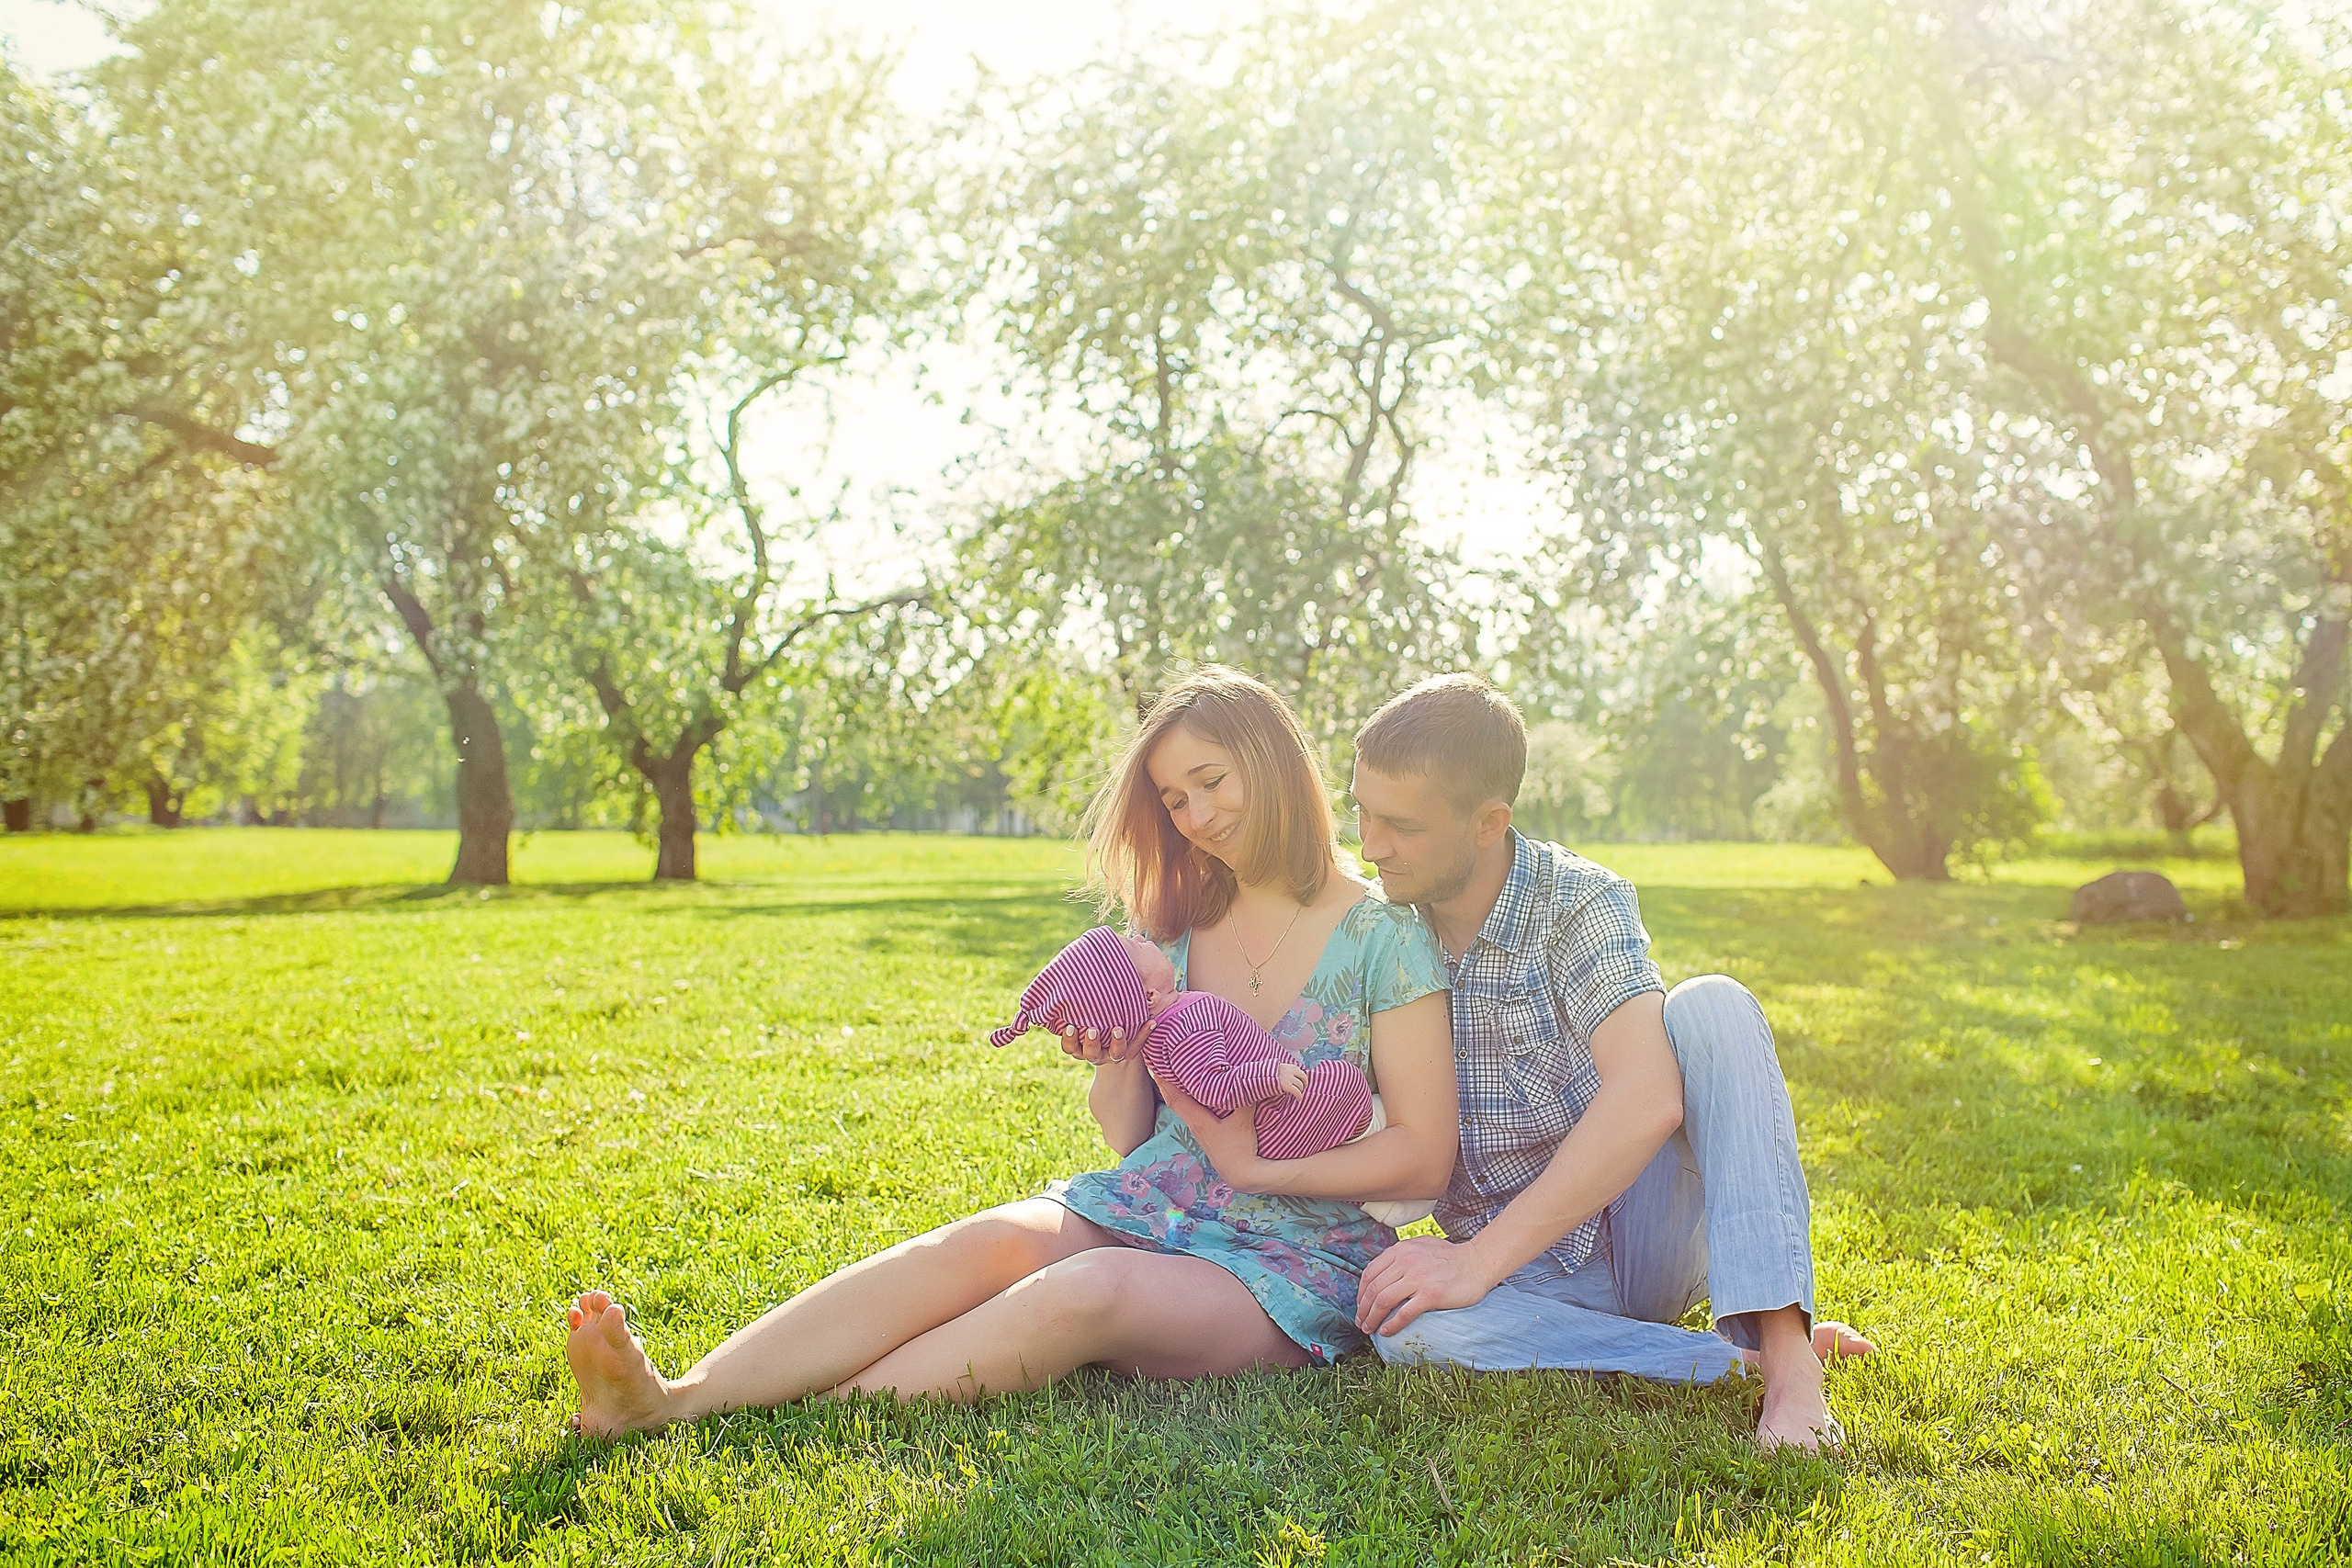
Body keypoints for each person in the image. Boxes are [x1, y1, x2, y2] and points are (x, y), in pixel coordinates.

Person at [561, 666, 1456, 1434]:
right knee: (977, 1243)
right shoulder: (1174, 927)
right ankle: (678, 1396)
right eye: (1175, 799)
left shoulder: (1385, 937)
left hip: (1289, 1264)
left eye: (1210, 781)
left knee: (1087, 1292)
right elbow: (1123, 1136)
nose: (1194, 815)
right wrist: (1120, 1049)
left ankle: (816, 1409)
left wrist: (1260, 1175)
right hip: (1152, 1202)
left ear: (1271, 762)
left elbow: (1423, 1150)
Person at [1335, 673, 1873, 1451]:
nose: (1370, 842)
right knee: (1409, 1335)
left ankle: (1791, 1365)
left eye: (1400, 825)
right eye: (1361, 810)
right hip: (1528, 1277)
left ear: (1489, 822)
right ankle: (1724, 1361)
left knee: (1712, 1004)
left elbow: (1649, 1095)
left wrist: (1476, 1261)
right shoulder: (1379, 931)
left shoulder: (1576, 901)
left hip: (1640, 1230)